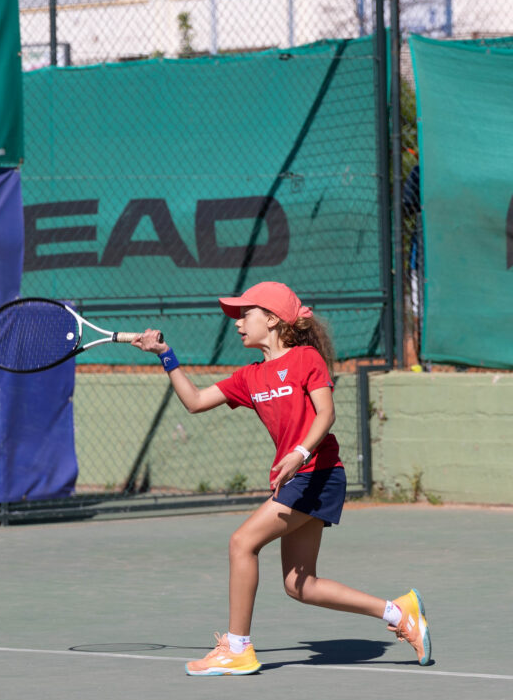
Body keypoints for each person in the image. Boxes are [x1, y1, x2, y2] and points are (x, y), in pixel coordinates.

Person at [131, 281, 431, 675]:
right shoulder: (250, 377)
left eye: (246, 314)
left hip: (318, 472)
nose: (238, 323)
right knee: (299, 584)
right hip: (298, 477)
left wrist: (300, 452)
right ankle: (399, 612)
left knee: (242, 543)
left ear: (272, 320)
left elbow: (326, 414)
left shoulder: (307, 359)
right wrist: (165, 355)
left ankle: (237, 647)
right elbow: (195, 401)